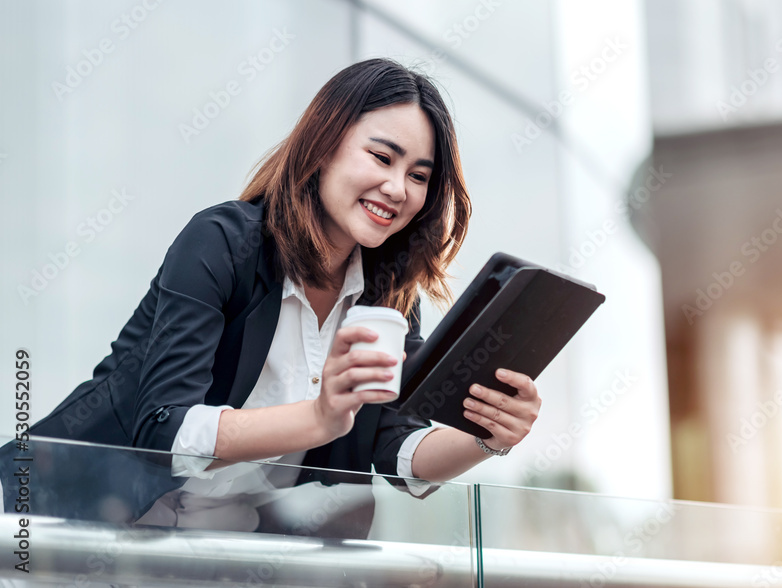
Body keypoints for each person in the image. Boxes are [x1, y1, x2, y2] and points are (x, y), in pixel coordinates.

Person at [2, 58, 541, 528]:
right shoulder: (220, 244)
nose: (398, 189)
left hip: (225, 556)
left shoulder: (390, 295)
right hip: (62, 529)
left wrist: (487, 439)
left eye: (419, 175)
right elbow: (163, 430)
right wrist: (320, 417)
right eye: (382, 158)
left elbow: (395, 447)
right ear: (324, 145)